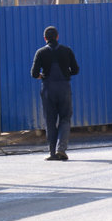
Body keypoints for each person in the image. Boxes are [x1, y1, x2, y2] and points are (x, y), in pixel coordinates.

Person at [30, 26, 79, 161]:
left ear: (45, 38)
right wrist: (65, 73)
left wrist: (42, 76)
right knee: (65, 118)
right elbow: (75, 70)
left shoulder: (40, 52)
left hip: (48, 89)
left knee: (50, 121)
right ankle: (61, 150)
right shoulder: (67, 51)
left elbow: (34, 74)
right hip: (64, 88)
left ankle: (52, 153)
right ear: (57, 37)